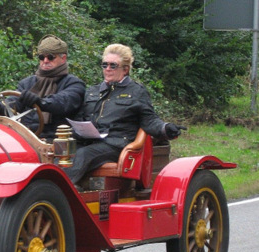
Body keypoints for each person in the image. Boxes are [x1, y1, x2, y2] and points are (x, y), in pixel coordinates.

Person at [64, 43, 186, 185]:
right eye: (105, 65)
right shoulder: (92, 91)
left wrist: (166, 128)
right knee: (61, 153)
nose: (108, 69)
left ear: (125, 69)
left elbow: (150, 120)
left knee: (83, 154)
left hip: (116, 145)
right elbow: (80, 117)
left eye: (113, 65)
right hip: (89, 142)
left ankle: (59, 191)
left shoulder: (136, 92)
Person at [0, 34, 85, 142]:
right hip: (26, 138)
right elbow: (14, 105)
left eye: (50, 57)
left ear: (63, 58)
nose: (45, 60)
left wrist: (41, 102)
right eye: (42, 57)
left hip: (56, 141)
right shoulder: (27, 83)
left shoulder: (74, 84)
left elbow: (63, 102)